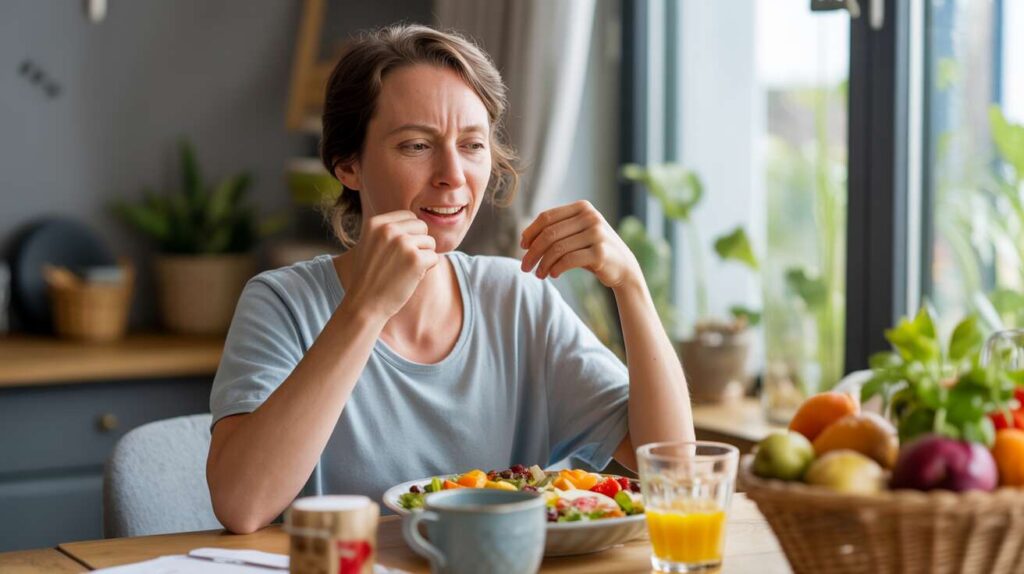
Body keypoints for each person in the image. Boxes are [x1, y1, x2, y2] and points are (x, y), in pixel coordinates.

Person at [206, 24, 694, 534]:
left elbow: (675, 472)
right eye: (417, 145)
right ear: (348, 165)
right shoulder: (282, 303)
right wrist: (366, 309)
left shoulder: (518, 297)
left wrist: (630, 287)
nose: (453, 175)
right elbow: (243, 505)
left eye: (472, 145)